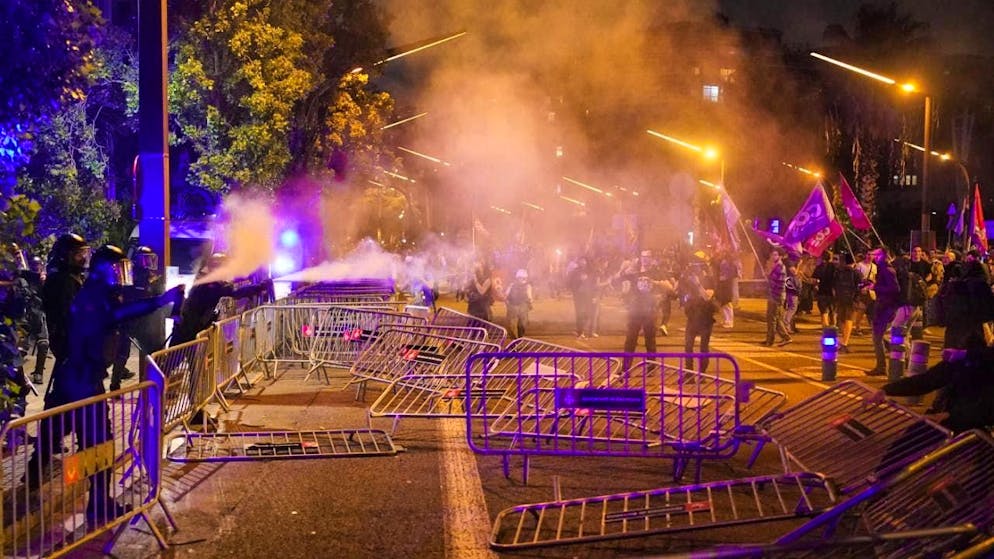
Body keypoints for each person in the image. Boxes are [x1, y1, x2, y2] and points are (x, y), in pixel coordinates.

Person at [23, 245, 184, 523]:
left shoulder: (100, 292)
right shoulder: (92, 295)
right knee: (92, 443)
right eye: (115, 269)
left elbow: (122, 310)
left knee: (70, 440)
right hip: (80, 381)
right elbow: (117, 315)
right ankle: (85, 503)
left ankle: (83, 499)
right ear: (102, 269)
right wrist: (161, 300)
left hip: (80, 379)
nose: (120, 275)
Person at [872, 340, 994, 433]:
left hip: (972, 429)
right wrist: (885, 390)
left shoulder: (976, 357)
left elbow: (987, 408)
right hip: (947, 420)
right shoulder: (965, 358)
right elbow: (927, 380)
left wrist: (950, 415)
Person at [170, 253, 274, 346]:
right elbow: (237, 292)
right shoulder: (211, 286)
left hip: (188, 329)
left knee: (178, 363)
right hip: (189, 330)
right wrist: (260, 287)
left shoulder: (205, 281)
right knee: (171, 363)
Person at [111, 246, 163, 389]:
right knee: (122, 352)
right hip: (129, 318)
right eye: (146, 259)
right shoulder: (128, 275)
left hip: (145, 320)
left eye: (151, 259)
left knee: (151, 352)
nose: (149, 263)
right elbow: (120, 294)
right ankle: (115, 384)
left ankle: (149, 384)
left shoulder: (152, 278)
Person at [42, 233, 89, 371]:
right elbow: (68, 315)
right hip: (69, 342)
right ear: (66, 256)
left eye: (85, 253)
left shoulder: (73, 277)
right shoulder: (63, 281)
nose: (84, 258)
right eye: (78, 254)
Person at [867, 247, 900, 376]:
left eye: (876, 254)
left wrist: (876, 287)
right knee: (879, 336)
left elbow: (894, 289)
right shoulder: (883, 269)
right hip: (883, 306)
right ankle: (900, 356)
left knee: (877, 337)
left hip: (886, 307)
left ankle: (882, 366)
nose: (874, 257)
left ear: (883, 255)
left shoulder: (887, 269)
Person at [680, 262, 718, 372]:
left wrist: (698, 284)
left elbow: (707, 297)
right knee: (688, 346)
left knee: (703, 347)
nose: (695, 271)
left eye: (697, 268)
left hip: (705, 318)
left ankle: (702, 373)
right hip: (692, 317)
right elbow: (681, 294)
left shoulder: (709, 281)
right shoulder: (688, 280)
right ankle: (689, 372)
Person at [763, 249, 792, 346]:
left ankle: (770, 340)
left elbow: (777, 283)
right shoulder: (775, 266)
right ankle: (785, 337)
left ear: (780, 256)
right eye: (772, 254)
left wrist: (769, 276)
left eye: (775, 255)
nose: (773, 256)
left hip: (776, 296)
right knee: (776, 318)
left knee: (772, 318)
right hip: (774, 295)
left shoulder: (780, 267)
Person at [504, 269, 533, 339]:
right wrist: (507, 304)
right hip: (513, 306)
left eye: (524, 278)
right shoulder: (511, 285)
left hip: (523, 307)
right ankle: (515, 341)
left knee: (522, 325)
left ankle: (519, 339)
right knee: (511, 326)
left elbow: (530, 296)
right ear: (517, 278)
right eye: (521, 278)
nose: (522, 280)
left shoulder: (528, 286)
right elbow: (506, 296)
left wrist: (530, 303)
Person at [811, 251, 837, 327]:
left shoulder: (819, 267)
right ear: (831, 257)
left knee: (824, 310)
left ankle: (825, 327)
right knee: (833, 310)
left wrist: (816, 285)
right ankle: (833, 326)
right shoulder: (835, 267)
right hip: (832, 291)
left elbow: (814, 279)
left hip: (822, 291)